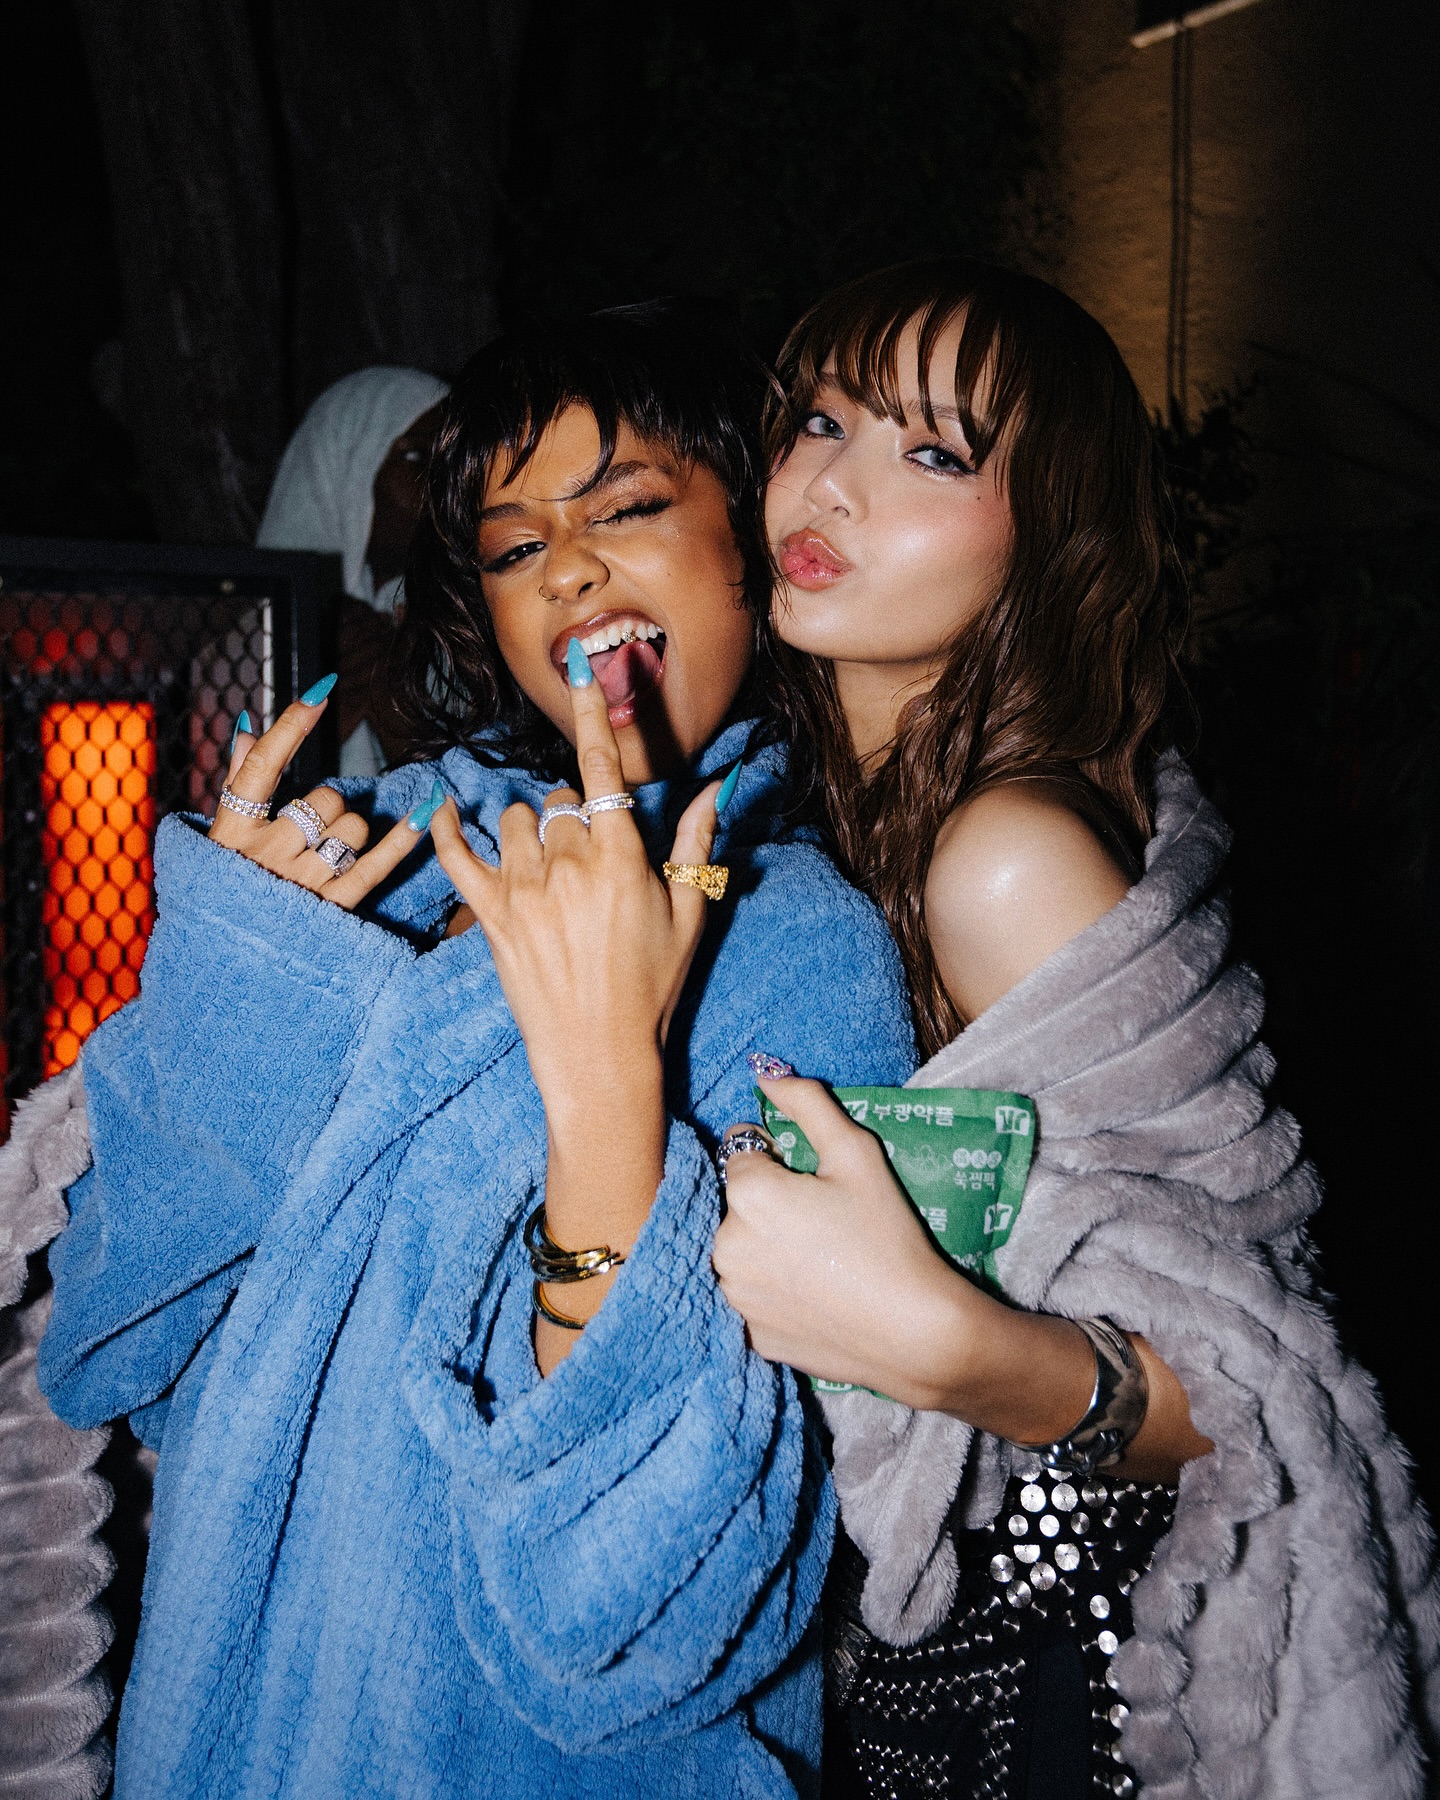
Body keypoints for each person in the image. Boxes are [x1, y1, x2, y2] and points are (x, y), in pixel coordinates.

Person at [29, 304, 915, 1798]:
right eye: (513, 547)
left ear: (754, 557)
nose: (565, 566)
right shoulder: (403, 857)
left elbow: (640, 1627)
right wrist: (249, 977)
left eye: (626, 509)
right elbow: (120, 1344)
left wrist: (607, 1091)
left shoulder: (796, 954)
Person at [702, 259, 1440, 1797]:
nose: (829, 483)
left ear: (1049, 535)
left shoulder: (1006, 857)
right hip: (898, 1665)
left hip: (1073, 1688)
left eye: (931, 452)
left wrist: (941, 1344)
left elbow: (1250, 1390)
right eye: (821, 420)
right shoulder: (820, 812)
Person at [257, 365, 449, 774]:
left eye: (454, 463)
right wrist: (320, 724)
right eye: (417, 457)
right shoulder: (251, 640)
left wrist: (391, 693)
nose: (445, 485)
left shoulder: (468, 627)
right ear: (347, 468)